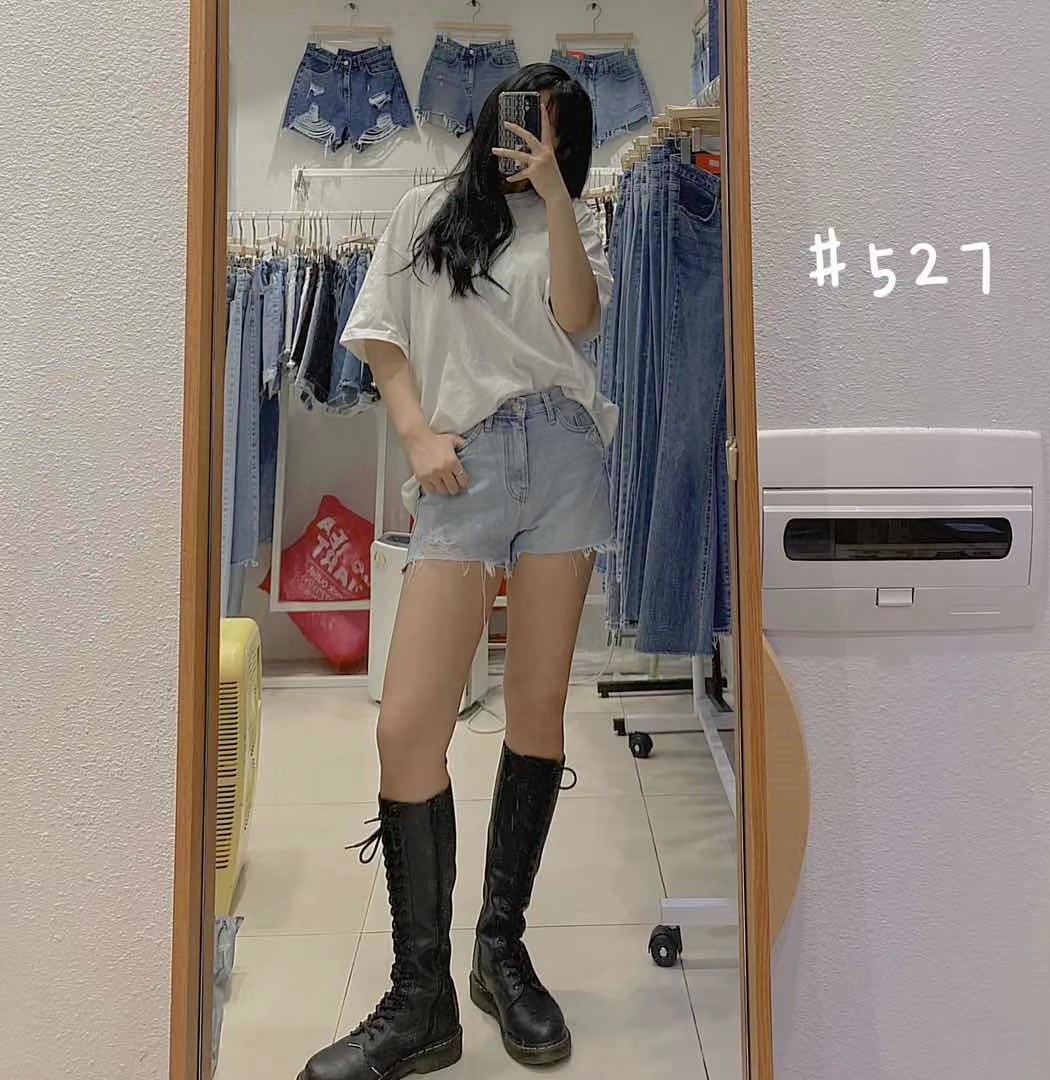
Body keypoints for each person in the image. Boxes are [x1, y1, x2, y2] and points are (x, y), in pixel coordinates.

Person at [299, 63, 617, 1080]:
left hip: (562, 458)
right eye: (523, 123)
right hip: (462, 464)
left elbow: (579, 321)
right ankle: (419, 997)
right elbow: (382, 338)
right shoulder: (425, 211)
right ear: (490, 121)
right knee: (407, 727)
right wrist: (415, 434)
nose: (532, 142)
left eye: (554, 131)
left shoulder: (577, 218)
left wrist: (558, 197)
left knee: (537, 708)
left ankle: (499, 949)